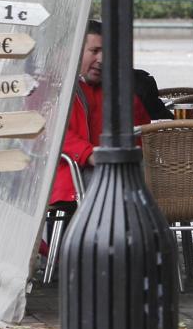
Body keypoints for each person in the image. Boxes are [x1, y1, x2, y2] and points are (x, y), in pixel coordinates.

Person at [49, 20, 153, 221]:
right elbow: (47, 130)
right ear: (75, 51)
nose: (102, 59)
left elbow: (143, 133)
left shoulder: (120, 92)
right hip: (68, 180)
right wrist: (89, 154)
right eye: (95, 51)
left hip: (114, 177)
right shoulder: (53, 86)